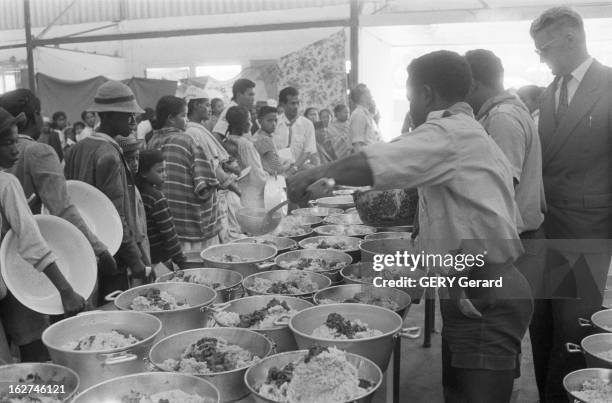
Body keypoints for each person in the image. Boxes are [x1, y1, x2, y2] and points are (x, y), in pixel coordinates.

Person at [287, 50, 533, 402]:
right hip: (471, 281)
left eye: (410, 96)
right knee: (458, 393)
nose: (410, 105)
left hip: (486, 292)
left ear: (427, 94)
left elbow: (379, 161)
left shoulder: (450, 133)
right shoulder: (463, 130)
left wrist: (315, 173)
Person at [529, 7, 612, 401]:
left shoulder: (609, 84)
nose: (541, 58)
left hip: (586, 230)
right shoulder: (546, 93)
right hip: (543, 228)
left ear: (571, 38)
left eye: (544, 48)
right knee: (540, 325)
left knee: (572, 332)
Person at [0, 88, 117, 299]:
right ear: (34, 115)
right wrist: (98, 248)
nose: (14, 148)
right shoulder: (37, 153)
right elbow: (62, 209)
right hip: (41, 264)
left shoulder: (12, 159)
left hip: (7, 267)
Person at [0, 107, 86, 363]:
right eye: (7, 144)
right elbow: (31, 241)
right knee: (11, 371)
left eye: (16, 141)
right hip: (9, 283)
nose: (16, 150)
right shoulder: (6, 184)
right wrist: (66, 290)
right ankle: (46, 391)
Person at [64, 81, 148, 303]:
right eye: (127, 115)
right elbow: (116, 214)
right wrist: (135, 259)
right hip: (111, 251)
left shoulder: (77, 148)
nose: (133, 121)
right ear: (108, 116)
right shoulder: (109, 154)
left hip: (83, 246)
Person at [147, 96, 221, 255]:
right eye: (183, 115)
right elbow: (205, 182)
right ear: (170, 119)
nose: (186, 120)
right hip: (190, 222)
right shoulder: (186, 140)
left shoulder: (152, 141)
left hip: (166, 221)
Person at [183, 86, 241, 243]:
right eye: (207, 105)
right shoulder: (193, 132)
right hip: (209, 195)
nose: (210, 109)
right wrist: (236, 189)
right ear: (196, 106)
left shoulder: (198, 129)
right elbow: (212, 167)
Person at [136, 150, 187, 271]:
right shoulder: (156, 198)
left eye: (164, 170)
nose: (165, 174)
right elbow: (169, 233)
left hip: (145, 257)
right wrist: (180, 260)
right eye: (160, 171)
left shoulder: (136, 192)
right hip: (160, 260)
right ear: (143, 172)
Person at [117, 135, 150, 269]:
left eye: (136, 158)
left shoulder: (133, 186)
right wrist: (144, 259)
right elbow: (135, 229)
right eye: (129, 160)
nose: (135, 163)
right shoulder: (126, 188)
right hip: (137, 252)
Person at [226, 106, 267, 209]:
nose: (251, 123)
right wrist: (268, 178)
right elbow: (257, 176)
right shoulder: (245, 145)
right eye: (248, 120)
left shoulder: (227, 141)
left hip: (235, 192)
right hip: (251, 196)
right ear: (242, 123)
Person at [274, 87, 318, 173]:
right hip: (279, 170)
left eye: (298, 103)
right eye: (292, 103)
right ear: (283, 105)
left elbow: (308, 151)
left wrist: (294, 169)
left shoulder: (307, 124)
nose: (296, 107)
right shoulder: (275, 124)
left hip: (301, 170)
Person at [254, 106, 291, 176]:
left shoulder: (258, 134)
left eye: (275, 120)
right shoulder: (264, 139)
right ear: (260, 121)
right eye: (269, 120)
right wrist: (290, 163)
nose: (274, 124)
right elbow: (278, 169)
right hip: (271, 179)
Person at [348, 84, 382, 151]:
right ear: (362, 97)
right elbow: (357, 144)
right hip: (367, 158)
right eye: (369, 93)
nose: (371, 96)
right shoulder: (358, 115)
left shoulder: (367, 115)